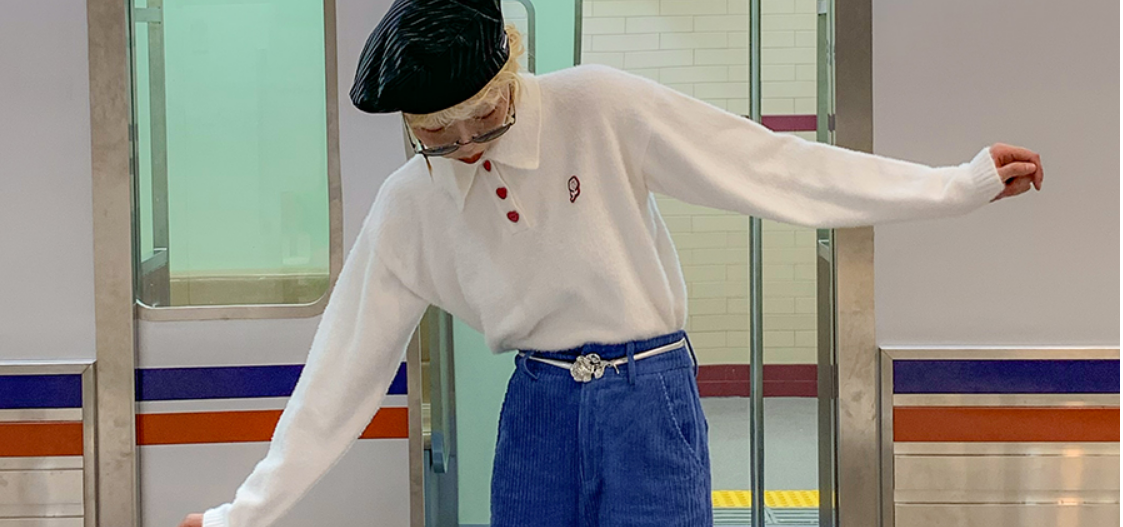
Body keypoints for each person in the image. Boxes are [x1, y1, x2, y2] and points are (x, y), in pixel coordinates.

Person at [179, 0, 1044, 526]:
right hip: (537, 409)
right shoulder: (410, 205)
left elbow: (769, 165)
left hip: (648, 397)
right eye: (439, 134)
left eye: (486, 116)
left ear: (512, 64)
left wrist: (957, 183)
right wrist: (238, 513)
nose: (469, 145)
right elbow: (340, 373)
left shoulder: (596, 105)